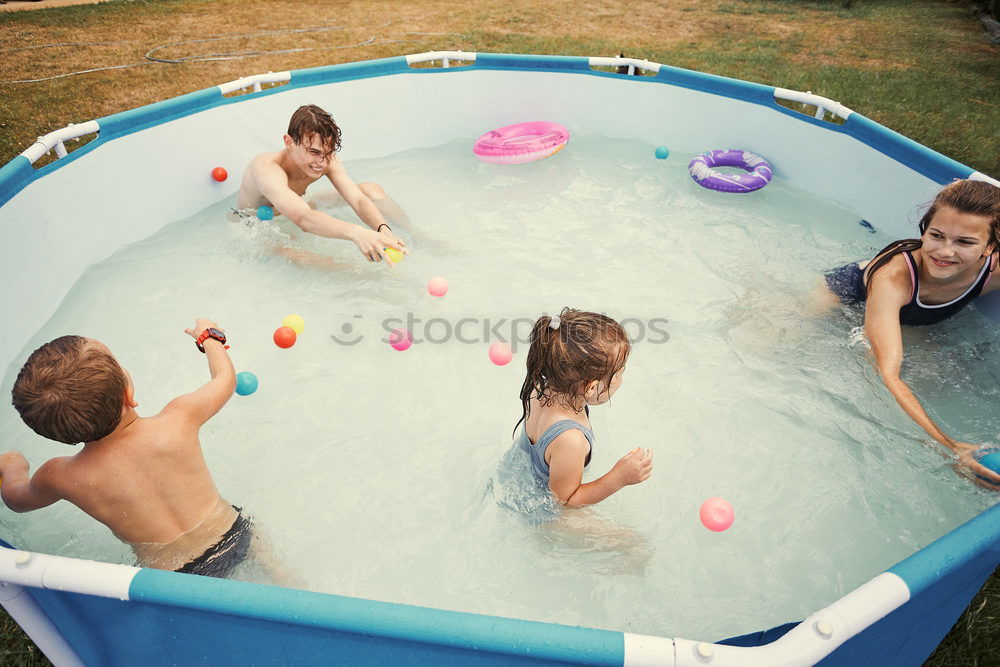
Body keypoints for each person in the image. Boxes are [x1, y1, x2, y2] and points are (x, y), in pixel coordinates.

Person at [0, 320, 257, 578]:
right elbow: (225, 378)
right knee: (285, 581)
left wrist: (12, 465)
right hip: (235, 531)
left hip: (176, 574)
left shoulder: (59, 475)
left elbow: (16, 500)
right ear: (129, 394)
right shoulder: (179, 419)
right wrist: (210, 338)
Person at [823, 179, 1000, 487]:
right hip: (849, 293)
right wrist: (950, 448)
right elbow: (887, 375)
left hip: (917, 320)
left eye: (965, 242)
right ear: (924, 230)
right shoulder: (893, 278)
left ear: (990, 247)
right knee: (773, 336)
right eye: (936, 235)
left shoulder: (994, 270)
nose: (945, 252)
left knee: (936, 378)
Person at [510, 308, 653, 507]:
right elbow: (563, 501)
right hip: (539, 510)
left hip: (515, 476)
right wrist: (618, 478)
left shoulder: (540, 390)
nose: (621, 380)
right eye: (620, 373)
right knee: (629, 539)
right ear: (591, 387)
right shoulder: (570, 439)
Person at [237, 104, 408, 266]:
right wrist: (357, 232)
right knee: (297, 253)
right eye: (314, 152)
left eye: (328, 152)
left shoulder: (326, 160)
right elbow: (303, 219)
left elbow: (357, 199)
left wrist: (382, 229)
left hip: (299, 206)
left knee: (370, 189)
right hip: (255, 226)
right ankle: (366, 279)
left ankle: (418, 236)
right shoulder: (266, 168)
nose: (322, 162)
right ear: (289, 142)